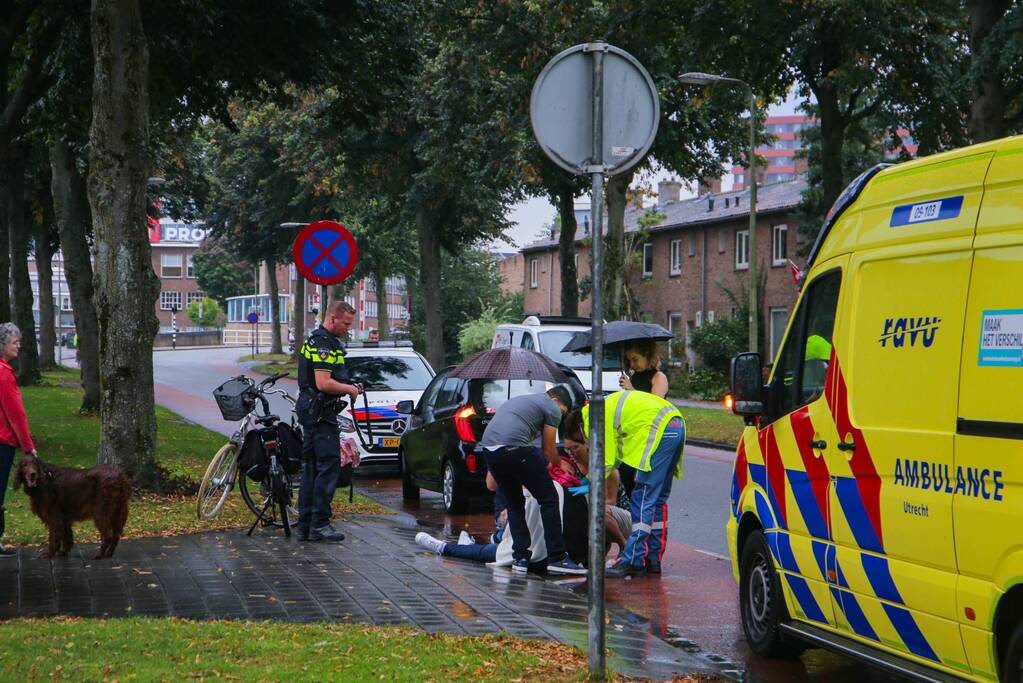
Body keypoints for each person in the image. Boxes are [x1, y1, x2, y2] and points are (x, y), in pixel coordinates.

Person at [563, 389, 685, 578]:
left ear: (579, 427)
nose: (586, 441)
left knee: (643, 496)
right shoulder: (602, 407)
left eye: (579, 441)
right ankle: (653, 559)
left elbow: (606, 462)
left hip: (658, 428)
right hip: (675, 423)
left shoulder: (591, 420)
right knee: (658, 499)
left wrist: (586, 481)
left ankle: (632, 559)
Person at [479, 385, 586, 575]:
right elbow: (548, 449)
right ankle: (557, 557)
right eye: (563, 412)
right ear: (555, 401)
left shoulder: (520, 401)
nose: (560, 417)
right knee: (549, 499)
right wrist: (561, 465)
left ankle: (520, 557)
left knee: (514, 502)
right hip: (515, 448)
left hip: (490, 451)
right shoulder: (551, 406)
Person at [295, 301, 362, 542]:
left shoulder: (318, 341)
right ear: (332, 318)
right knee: (327, 465)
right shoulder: (323, 344)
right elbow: (323, 383)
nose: (348, 328)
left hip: (312, 410)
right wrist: (350, 390)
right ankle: (320, 524)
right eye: (345, 323)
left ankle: (306, 525)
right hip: (320, 413)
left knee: (312, 467)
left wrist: (349, 385)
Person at [616, 339, 669, 500]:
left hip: (650, 438)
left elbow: (654, 406)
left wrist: (631, 390)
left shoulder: (658, 377)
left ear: (648, 356)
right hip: (632, 436)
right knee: (624, 477)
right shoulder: (633, 376)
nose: (632, 365)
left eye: (635, 359)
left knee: (642, 482)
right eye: (629, 360)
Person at [0, 323, 36, 556]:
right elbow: (16, 415)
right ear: (2, 345)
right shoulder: (4, 374)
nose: (19, 346)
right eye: (15, 342)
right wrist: (28, 447)